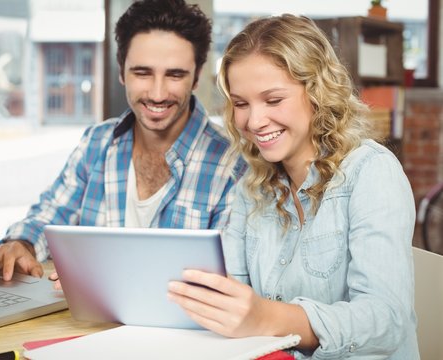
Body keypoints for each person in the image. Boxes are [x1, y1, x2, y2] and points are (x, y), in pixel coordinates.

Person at [167, 14, 419, 359]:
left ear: (316, 91)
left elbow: (386, 321)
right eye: (241, 104)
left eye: (273, 100)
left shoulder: (371, 172)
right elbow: (233, 295)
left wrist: (266, 317)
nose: (254, 121)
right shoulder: (251, 189)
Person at [0, 0, 245, 284]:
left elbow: (223, 283)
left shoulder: (232, 164)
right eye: (142, 73)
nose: (158, 93)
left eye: (175, 75)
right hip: (89, 321)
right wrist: (20, 245)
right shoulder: (97, 142)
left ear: (197, 77)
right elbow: (49, 216)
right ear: (121, 71)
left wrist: (101, 281)